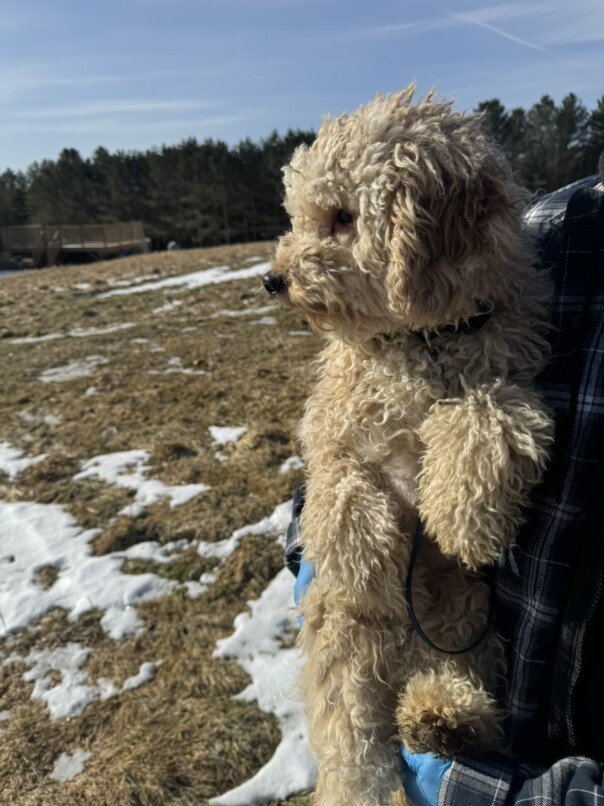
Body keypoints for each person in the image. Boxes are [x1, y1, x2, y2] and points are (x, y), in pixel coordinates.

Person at [285, 165, 604, 805]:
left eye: (342, 221)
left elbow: (500, 406)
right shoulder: (560, 227)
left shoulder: (509, 275)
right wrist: (315, 537)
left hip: (506, 723)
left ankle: (443, 708)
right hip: (361, 606)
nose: (288, 264)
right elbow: (330, 445)